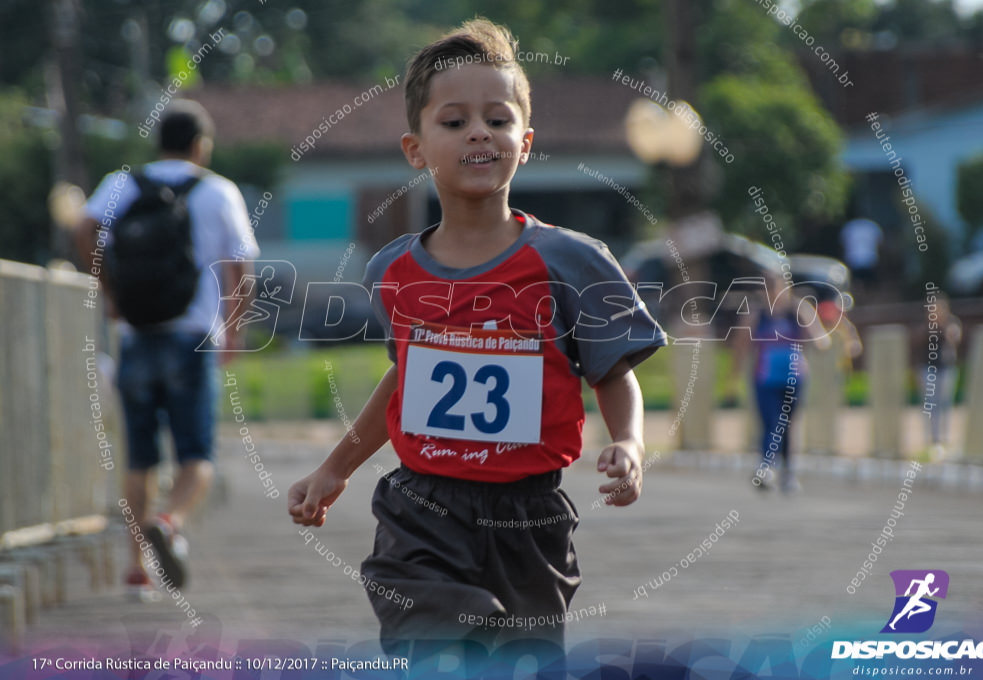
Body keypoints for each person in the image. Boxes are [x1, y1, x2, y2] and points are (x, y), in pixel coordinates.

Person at [288, 19, 666, 654]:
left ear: (525, 144)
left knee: (523, 658)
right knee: (432, 633)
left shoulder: (571, 261)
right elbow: (406, 378)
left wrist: (628, 442)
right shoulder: (394, 270)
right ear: (416, 148)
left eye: (497, 118)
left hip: (530, 514)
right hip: (421, 510)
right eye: (455, 121)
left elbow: (611, 370)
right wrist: (335, 470)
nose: (479, 133)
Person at [74, 100, 258, 597]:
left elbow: (82, 227)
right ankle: (169, 519)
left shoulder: (120, 183)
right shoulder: (219, 191)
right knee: (196, 453)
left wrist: (109, 295)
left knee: (140, 459)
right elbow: (240, 269)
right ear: (201, 146)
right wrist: (234, 333)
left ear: (159, 142)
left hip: (135, 335)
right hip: (193, 336)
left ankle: (136, 568)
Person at [733, 273, 830, 493]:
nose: (773, 294)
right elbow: (740, 345)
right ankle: (766, 467)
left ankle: (788, 472)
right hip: (765, 378)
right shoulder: (757, 315)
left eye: (777, 288)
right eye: (768, 289)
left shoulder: (798, 311)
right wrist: (734, 377)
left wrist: (815, 336)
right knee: (770, 422)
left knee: (788, 425)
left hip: (793, 377)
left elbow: (821, 339)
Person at [913, 293, 962, 459]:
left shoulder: (951, 324)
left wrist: (943, 325)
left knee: (945, 404)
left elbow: (954, 337)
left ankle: (944, 438)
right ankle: (932, 439)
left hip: (946, 368)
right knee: (930, 405)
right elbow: (917, 340)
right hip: (928, 369)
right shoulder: (924, 325)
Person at [840, 217, 884, 293]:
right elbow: (880, 244)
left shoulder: (849, 227)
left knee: (858, 282)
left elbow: (842, 245)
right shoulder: (872, 226)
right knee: (869, 284)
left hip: (855, 259)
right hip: (869, 259)